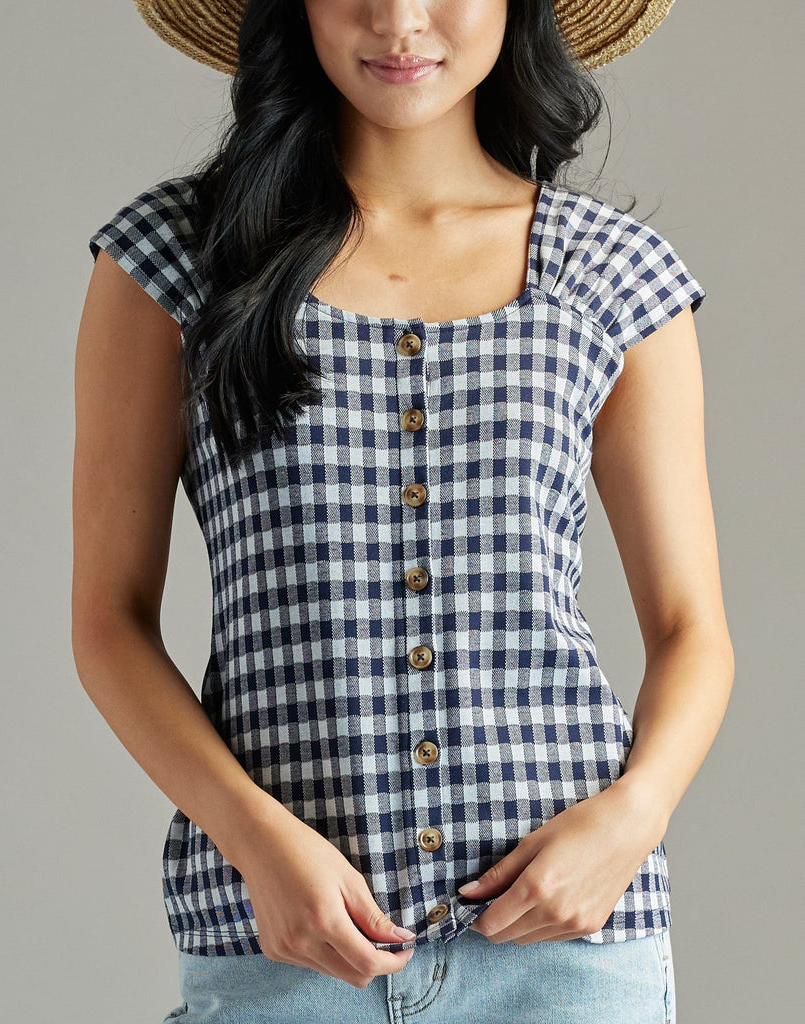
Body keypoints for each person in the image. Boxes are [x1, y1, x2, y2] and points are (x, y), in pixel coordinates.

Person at [72, 1, 734, 1022]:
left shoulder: (613, 274)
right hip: (282, 943)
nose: (398, 20)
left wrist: (629, 823)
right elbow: (107, 619)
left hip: (564, 948)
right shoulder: (175, 263)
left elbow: (694, 631)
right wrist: (255, 841)